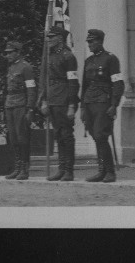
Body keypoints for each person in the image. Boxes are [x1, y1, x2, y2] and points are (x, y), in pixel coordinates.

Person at [80, 29, 124, 183]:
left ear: (100, 41)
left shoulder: (110, 59)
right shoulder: (88, 61)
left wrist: (114, 105)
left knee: (101, 136)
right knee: (96, 137)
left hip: (103, 104)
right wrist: (82, 107)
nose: (89, 44)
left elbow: (118, 84)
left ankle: (110, 172)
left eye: (92, 41)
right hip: (89, 102)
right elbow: (84, 86)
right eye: (88, 42)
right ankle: (101, 171)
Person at [40, 25, 80, 181]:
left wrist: (71, 105)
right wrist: (44, 100)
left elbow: (73, 83)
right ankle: (61, 168)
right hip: (53, 100)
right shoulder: (50, 56)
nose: (48, 40)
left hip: (64, 99)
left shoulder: (68, 56)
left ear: (60, 39)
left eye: (51, 37)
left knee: (66, 135)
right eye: (48, 37)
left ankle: (69, 170)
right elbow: (46, 80)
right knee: (58, 135)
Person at [3, 41, 37, 180]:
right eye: (7, 52)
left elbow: (31, 89)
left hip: (21, 104)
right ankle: (17, 167)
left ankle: (24, 168)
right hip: (10, 104)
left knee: (22, 137)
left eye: (11, 52)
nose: (8, 55)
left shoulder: (26, 67)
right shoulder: (11, 67)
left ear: (18, 52)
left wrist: (30, 108)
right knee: (13, 138)